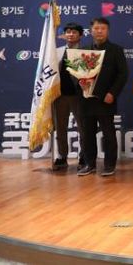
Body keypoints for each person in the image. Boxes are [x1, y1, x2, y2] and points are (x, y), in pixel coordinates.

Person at [77, 17, 128, 177]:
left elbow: (123, 74)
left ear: (108, 31)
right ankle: (89, 164)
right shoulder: (84, 50)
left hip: (106, 99)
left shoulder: (116, 50)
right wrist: (80, 82)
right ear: (91, 31)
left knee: (108, 134)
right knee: (87, 134)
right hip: (87, 99)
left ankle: (109, 165)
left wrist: (112, 93)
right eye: (96, 28)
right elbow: (76, 72)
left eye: (103, 28)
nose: (99, 31)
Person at [52, 22, 84, 171]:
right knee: (60, 128)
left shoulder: (85, 52)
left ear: (80, 35)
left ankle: (83, 157)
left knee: (83, 128)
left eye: (74, 32)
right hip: (60, 96)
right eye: (68, 32)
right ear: (64, 35)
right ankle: (62, 156)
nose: (70, 34)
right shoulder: (56, 52)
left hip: (79, 96)